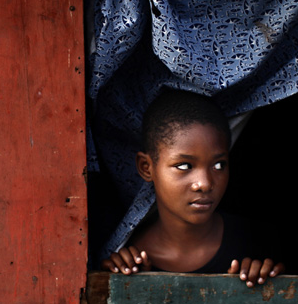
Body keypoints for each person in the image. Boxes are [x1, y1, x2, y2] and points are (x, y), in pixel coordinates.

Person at [101, 89, 284, 287]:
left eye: (218, 165)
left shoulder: (258, 243)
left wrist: (268, 284)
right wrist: (133, 285)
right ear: (147, 167)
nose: (204, 183)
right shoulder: (127, 258)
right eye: (184, 166)